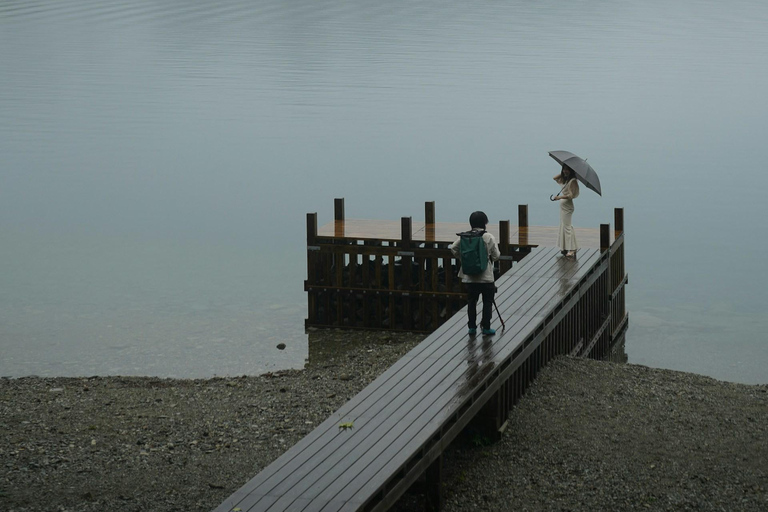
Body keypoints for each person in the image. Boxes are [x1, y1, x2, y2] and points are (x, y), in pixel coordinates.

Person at [450, 211, 501, 336]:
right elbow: (496, 255)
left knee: (472, 302)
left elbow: (453, 248)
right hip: (486, 278)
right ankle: (486, 327)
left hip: (470, 278)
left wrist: (463, 259)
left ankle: (472, 327)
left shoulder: (465, 236)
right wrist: (489, 259)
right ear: (484, 223)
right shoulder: (488, 237)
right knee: (487, 302)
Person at [553, 165, 580, 257]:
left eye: (567, 169)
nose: (565, 171)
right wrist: (563, 173)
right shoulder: (566, 179)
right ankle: (564, 246)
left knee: (567, 227)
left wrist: (559, 197)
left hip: (568, 207)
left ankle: (572, 249)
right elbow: (554, 178)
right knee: (563, 226)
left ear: (571, 170)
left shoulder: (573, 181)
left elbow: (571, 195)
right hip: (563, 207)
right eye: (564, 169)